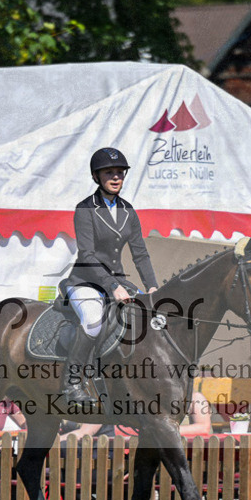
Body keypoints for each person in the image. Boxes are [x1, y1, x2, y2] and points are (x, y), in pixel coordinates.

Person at [59, 147, 158, 404]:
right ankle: (72, 384)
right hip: (85, 280)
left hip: (118, 281)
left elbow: (140, 254)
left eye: (119, 173)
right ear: (96, 177)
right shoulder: (85, 209)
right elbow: (87, 254)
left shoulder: (128, 211)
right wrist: (112, 285)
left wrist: (152, 287)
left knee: (146, 318)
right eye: (109, 173)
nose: (115, 178)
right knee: (93, 321)